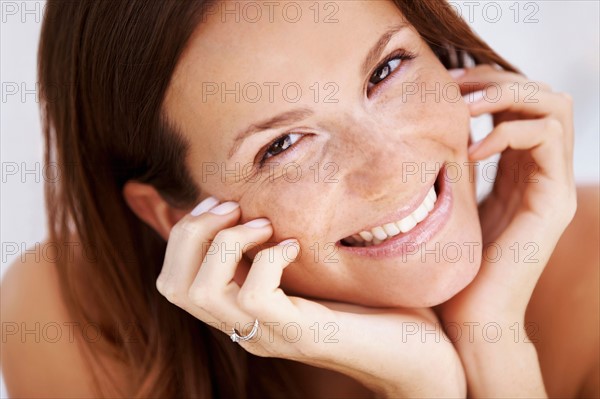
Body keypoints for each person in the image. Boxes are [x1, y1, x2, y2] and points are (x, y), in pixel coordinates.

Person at [1, 0, 598, 397]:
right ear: (176, 216)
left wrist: (492, 343)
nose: (390, 168)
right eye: (282, 144)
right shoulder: (74, 317)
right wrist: (425, 384)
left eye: (387, 70)